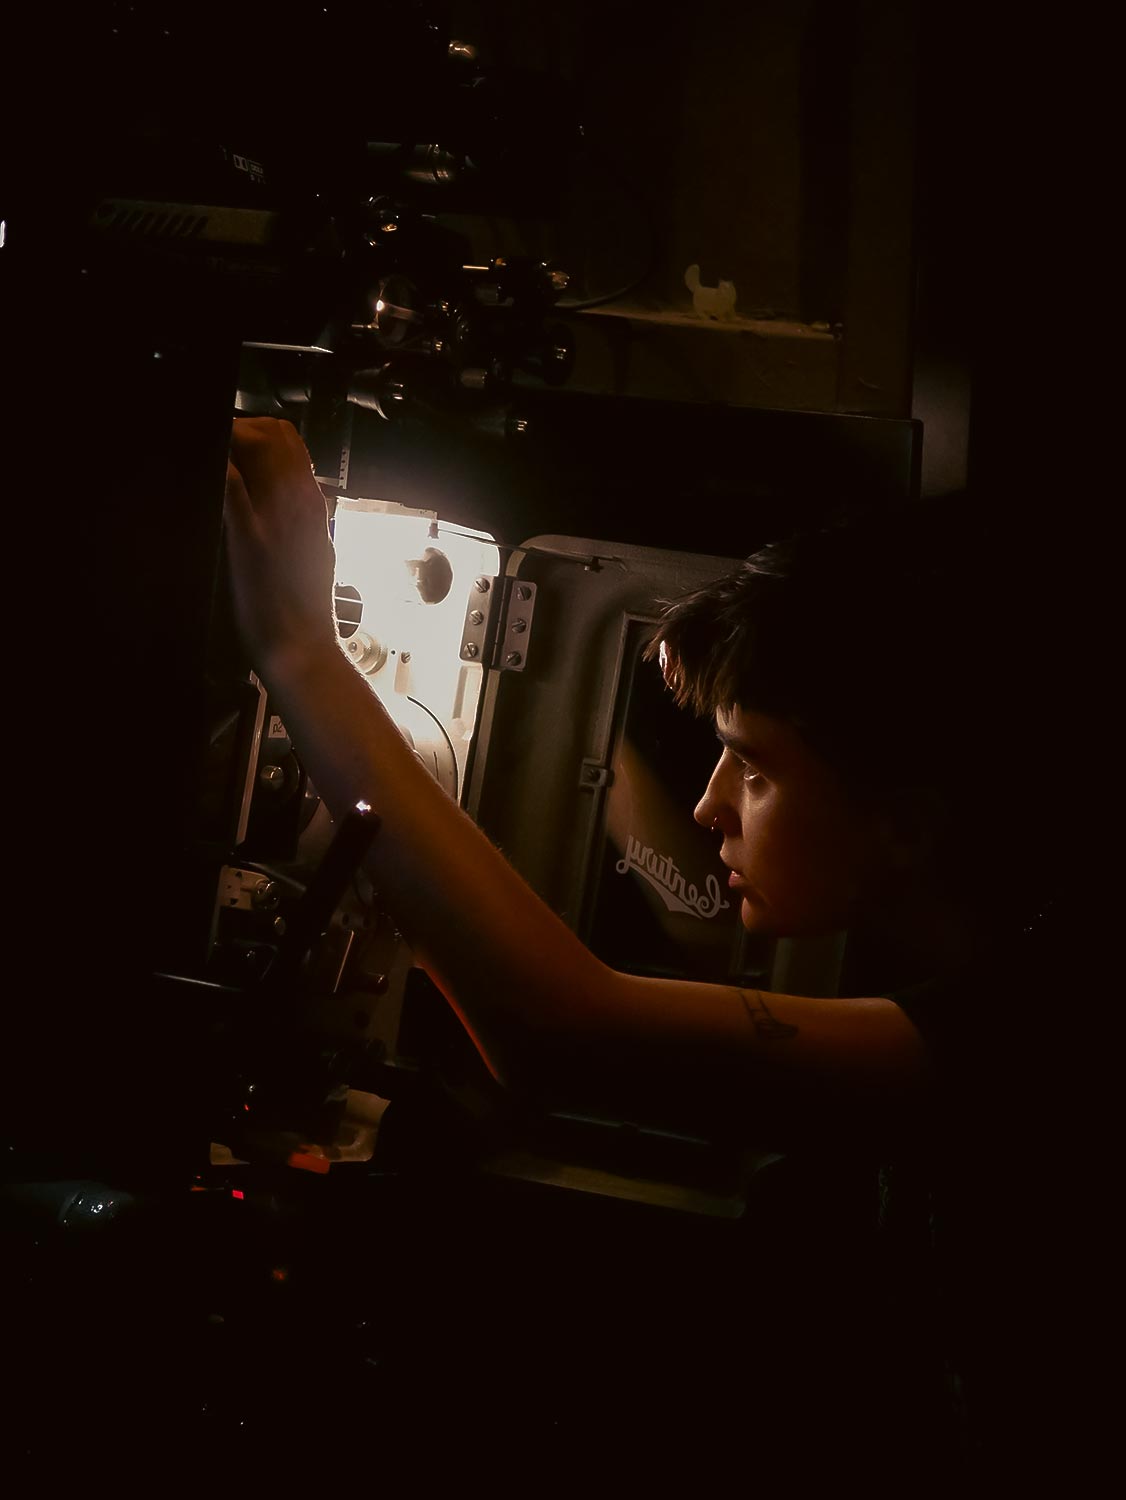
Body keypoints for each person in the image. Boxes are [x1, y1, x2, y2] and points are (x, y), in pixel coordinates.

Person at [223, 417, 1081, 1486]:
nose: (713, 805)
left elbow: (566, 1035)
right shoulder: (1003, 971)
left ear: (907, 819)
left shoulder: (1049, 1033)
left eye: (751, 767)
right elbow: (613, 975)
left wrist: (300, 645)